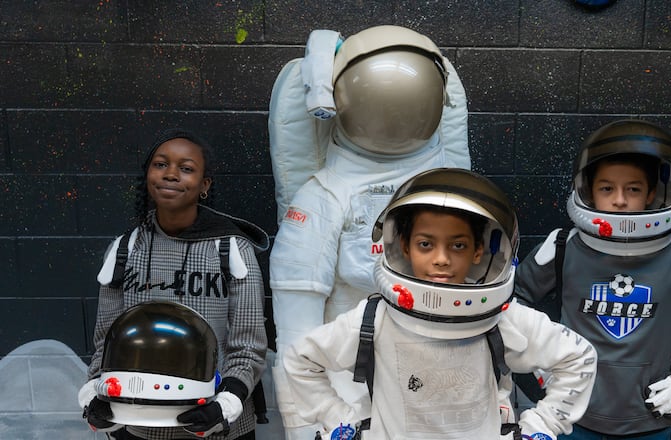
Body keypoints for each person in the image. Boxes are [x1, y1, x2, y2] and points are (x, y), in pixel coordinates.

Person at [283, 168, 598, 440]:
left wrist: (539, 425)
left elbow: (579, 358)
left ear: (478, 252)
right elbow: (301, 360)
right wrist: (342, 422)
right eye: (425, 244)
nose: (441, 259)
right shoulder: (375, 319)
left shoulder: (502, 319)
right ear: (404, 247)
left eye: (458, 245)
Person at [268, 25, 471, 439]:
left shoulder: (450, 192)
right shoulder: (325, 196)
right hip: (349, 384)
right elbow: (297, 330)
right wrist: (308, 424)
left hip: (440, 376)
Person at [514, 119, 671, 439]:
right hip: (571, 415)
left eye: (632, 189)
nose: (620, 200)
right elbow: (512, 303)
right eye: (607, 188)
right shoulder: (563, 247)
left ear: (651, 194)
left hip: (648, 420)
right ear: (588, 192)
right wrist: (537, 364)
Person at [78, 128, 269, 440]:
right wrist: (98, 399)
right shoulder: (127, 249)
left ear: (204, 184)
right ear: (148, 175)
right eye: (161, 164)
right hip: (139, 425)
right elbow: (106, 340)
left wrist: (225, 405)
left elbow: (248, 345)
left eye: (186, 168)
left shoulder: (231, 250)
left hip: (214, 425)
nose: (170, 175)